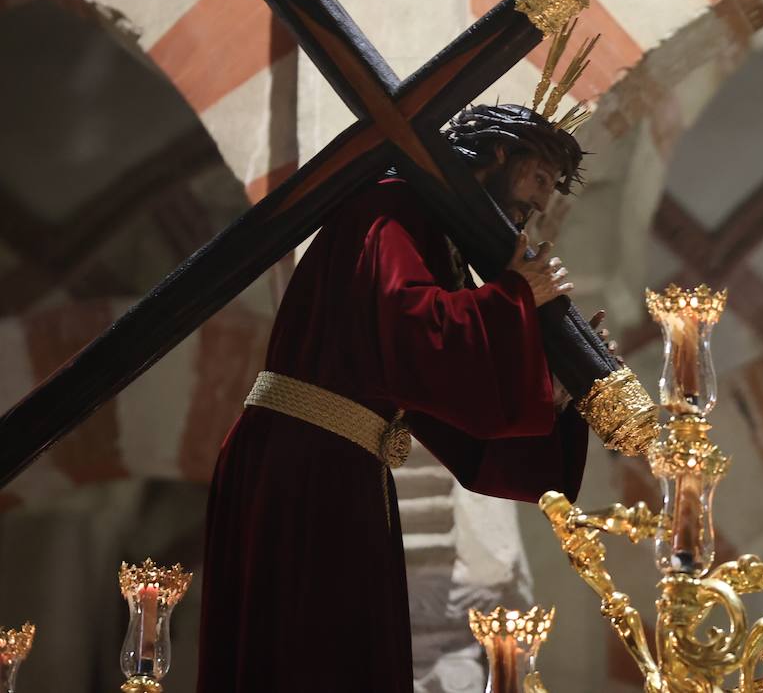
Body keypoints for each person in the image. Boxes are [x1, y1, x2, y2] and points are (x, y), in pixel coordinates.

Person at [195, 84, 609, 691]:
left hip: (338, 464)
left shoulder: (434, 232)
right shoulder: (391, 205)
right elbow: (411, 325)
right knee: (310, 654)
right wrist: (517, 296)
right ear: (497, 154)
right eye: (540, 177)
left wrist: (556, 391)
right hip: (302, 463)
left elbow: (449, 399)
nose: (541, 203)